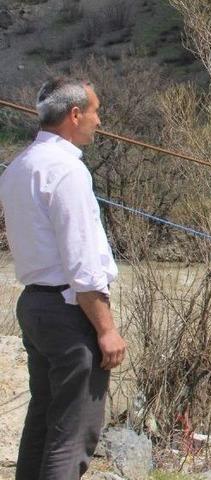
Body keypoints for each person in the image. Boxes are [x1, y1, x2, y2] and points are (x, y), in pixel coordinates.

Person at [0, 77, 127, 480]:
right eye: (95, 111)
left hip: (34, 306)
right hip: (69, 311)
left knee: (43, 421)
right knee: (73, 433)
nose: (99, 120)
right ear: (75, 115)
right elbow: (83, 263)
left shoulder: (19, 165)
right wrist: (106, 329)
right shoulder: (67, 171)